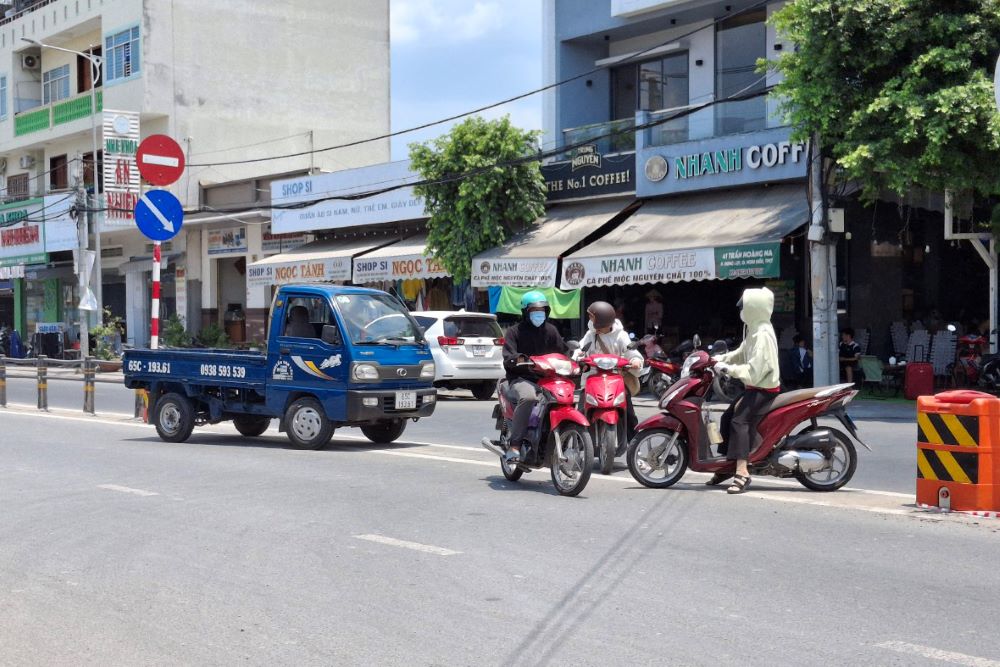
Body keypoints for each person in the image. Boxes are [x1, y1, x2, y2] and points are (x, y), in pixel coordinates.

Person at [710, 287, 781, 494]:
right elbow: (742, 352)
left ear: (754, 308)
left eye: (745, 306)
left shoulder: (763, 334)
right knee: (726, 417)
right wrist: (720, 359)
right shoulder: (755, 329)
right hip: (754, 386)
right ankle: (728, 465)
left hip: (763, 388)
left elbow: (754, 371)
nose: (741, 310)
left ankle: (742, 471)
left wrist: (727, 369)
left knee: (739, 421)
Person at [501, 291, 567, 463]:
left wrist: (577, 359)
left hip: (548, 379)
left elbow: (563, 351)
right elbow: (508, 357)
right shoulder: (514, 332)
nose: (539, 314)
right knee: (529, 397)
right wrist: (518, 359)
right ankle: (515, 445)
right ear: (525, 312)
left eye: (542, 310)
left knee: (565, 398)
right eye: (534, 311)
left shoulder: (551, 331)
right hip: (522, 379)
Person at [575, 301, 644, 439]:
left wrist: (635, 361)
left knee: (629, 413)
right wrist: (578, 356)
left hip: (615, 380)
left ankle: (635, 446)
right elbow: (580, 349)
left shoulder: (621, 335)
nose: (590, 320)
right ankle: (576, 446)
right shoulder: (591, 334)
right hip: (593, 379)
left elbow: (631, 351)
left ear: (601, 319)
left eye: (592, 317)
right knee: (581, 411)